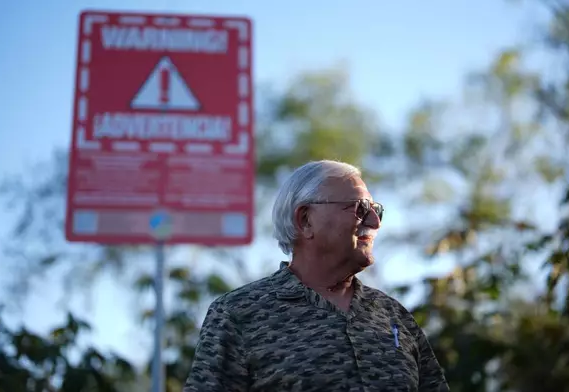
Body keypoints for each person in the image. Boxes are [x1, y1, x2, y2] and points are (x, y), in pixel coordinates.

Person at [183, 160, 450, 392]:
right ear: (306, 220)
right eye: (360, 208)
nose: (375, 222)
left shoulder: (393, 315)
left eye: (375, 210)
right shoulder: (238, 314)